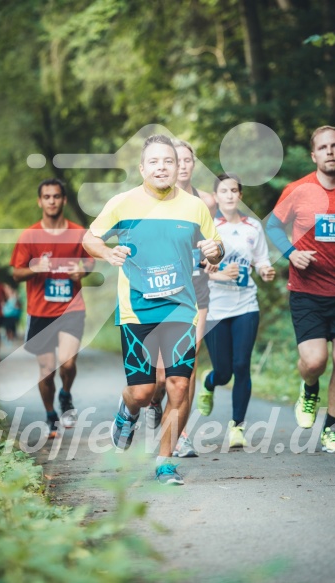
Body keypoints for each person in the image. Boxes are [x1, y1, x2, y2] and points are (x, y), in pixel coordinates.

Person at [83, 134, 223, 485]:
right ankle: (126, 411)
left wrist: (214, 251)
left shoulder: (195, 207)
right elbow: (90, 237)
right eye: (155, 162)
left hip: (180, 308)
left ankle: (165, 463)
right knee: (144, 392)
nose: (162, 167)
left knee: (178, 386)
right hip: (137, 310)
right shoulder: (122, 203)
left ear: (179, 168)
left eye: (169, 161)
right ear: (142, 168)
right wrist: (106, 252)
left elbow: (216, 245)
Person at [266, 125, 335, 453]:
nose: (330, 151)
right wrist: (291, 253)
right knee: (316, 361)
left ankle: (331, 429)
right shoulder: (297, 190)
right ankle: (309, 386)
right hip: (307, 290)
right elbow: (273, 226)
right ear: (314, 155)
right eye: (323, 147)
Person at [146, 139, 217, 458]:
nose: (184, 165)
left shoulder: (207, 202)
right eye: (179, 159)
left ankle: (180, 434)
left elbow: (214, 242)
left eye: (189, 160)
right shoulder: (154, 202)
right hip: (162, 293)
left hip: (196, 292)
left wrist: (213, 256)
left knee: (188, 363)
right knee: (160, 374)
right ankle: (153, 404)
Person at [11, 178, 94, 438]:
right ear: (40, 201)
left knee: (67, 365)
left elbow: (89, 263)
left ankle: (66, 395)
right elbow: (16, 272)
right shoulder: (30, 235)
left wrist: (81, 270)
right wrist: (35, 268)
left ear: (64, 200)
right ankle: (50, 415)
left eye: (56, 196)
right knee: (46, 372)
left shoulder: (78, 232)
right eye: (46, 197)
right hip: (40, 312)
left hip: (71, 309)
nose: (51, 201)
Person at [197, 173, 275, 447]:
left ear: (240, 195)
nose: (229, 195)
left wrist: (265, 270)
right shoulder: (208, 227)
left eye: (234, 190)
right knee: (224, 372)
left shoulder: (252, 226)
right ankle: (209, 382)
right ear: (216, 196)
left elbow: (261, 259)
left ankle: (237, 427)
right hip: (215, 308)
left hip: (245, 305)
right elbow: (197, 269)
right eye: (224, 191)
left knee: (242, 365)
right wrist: (219, 274)